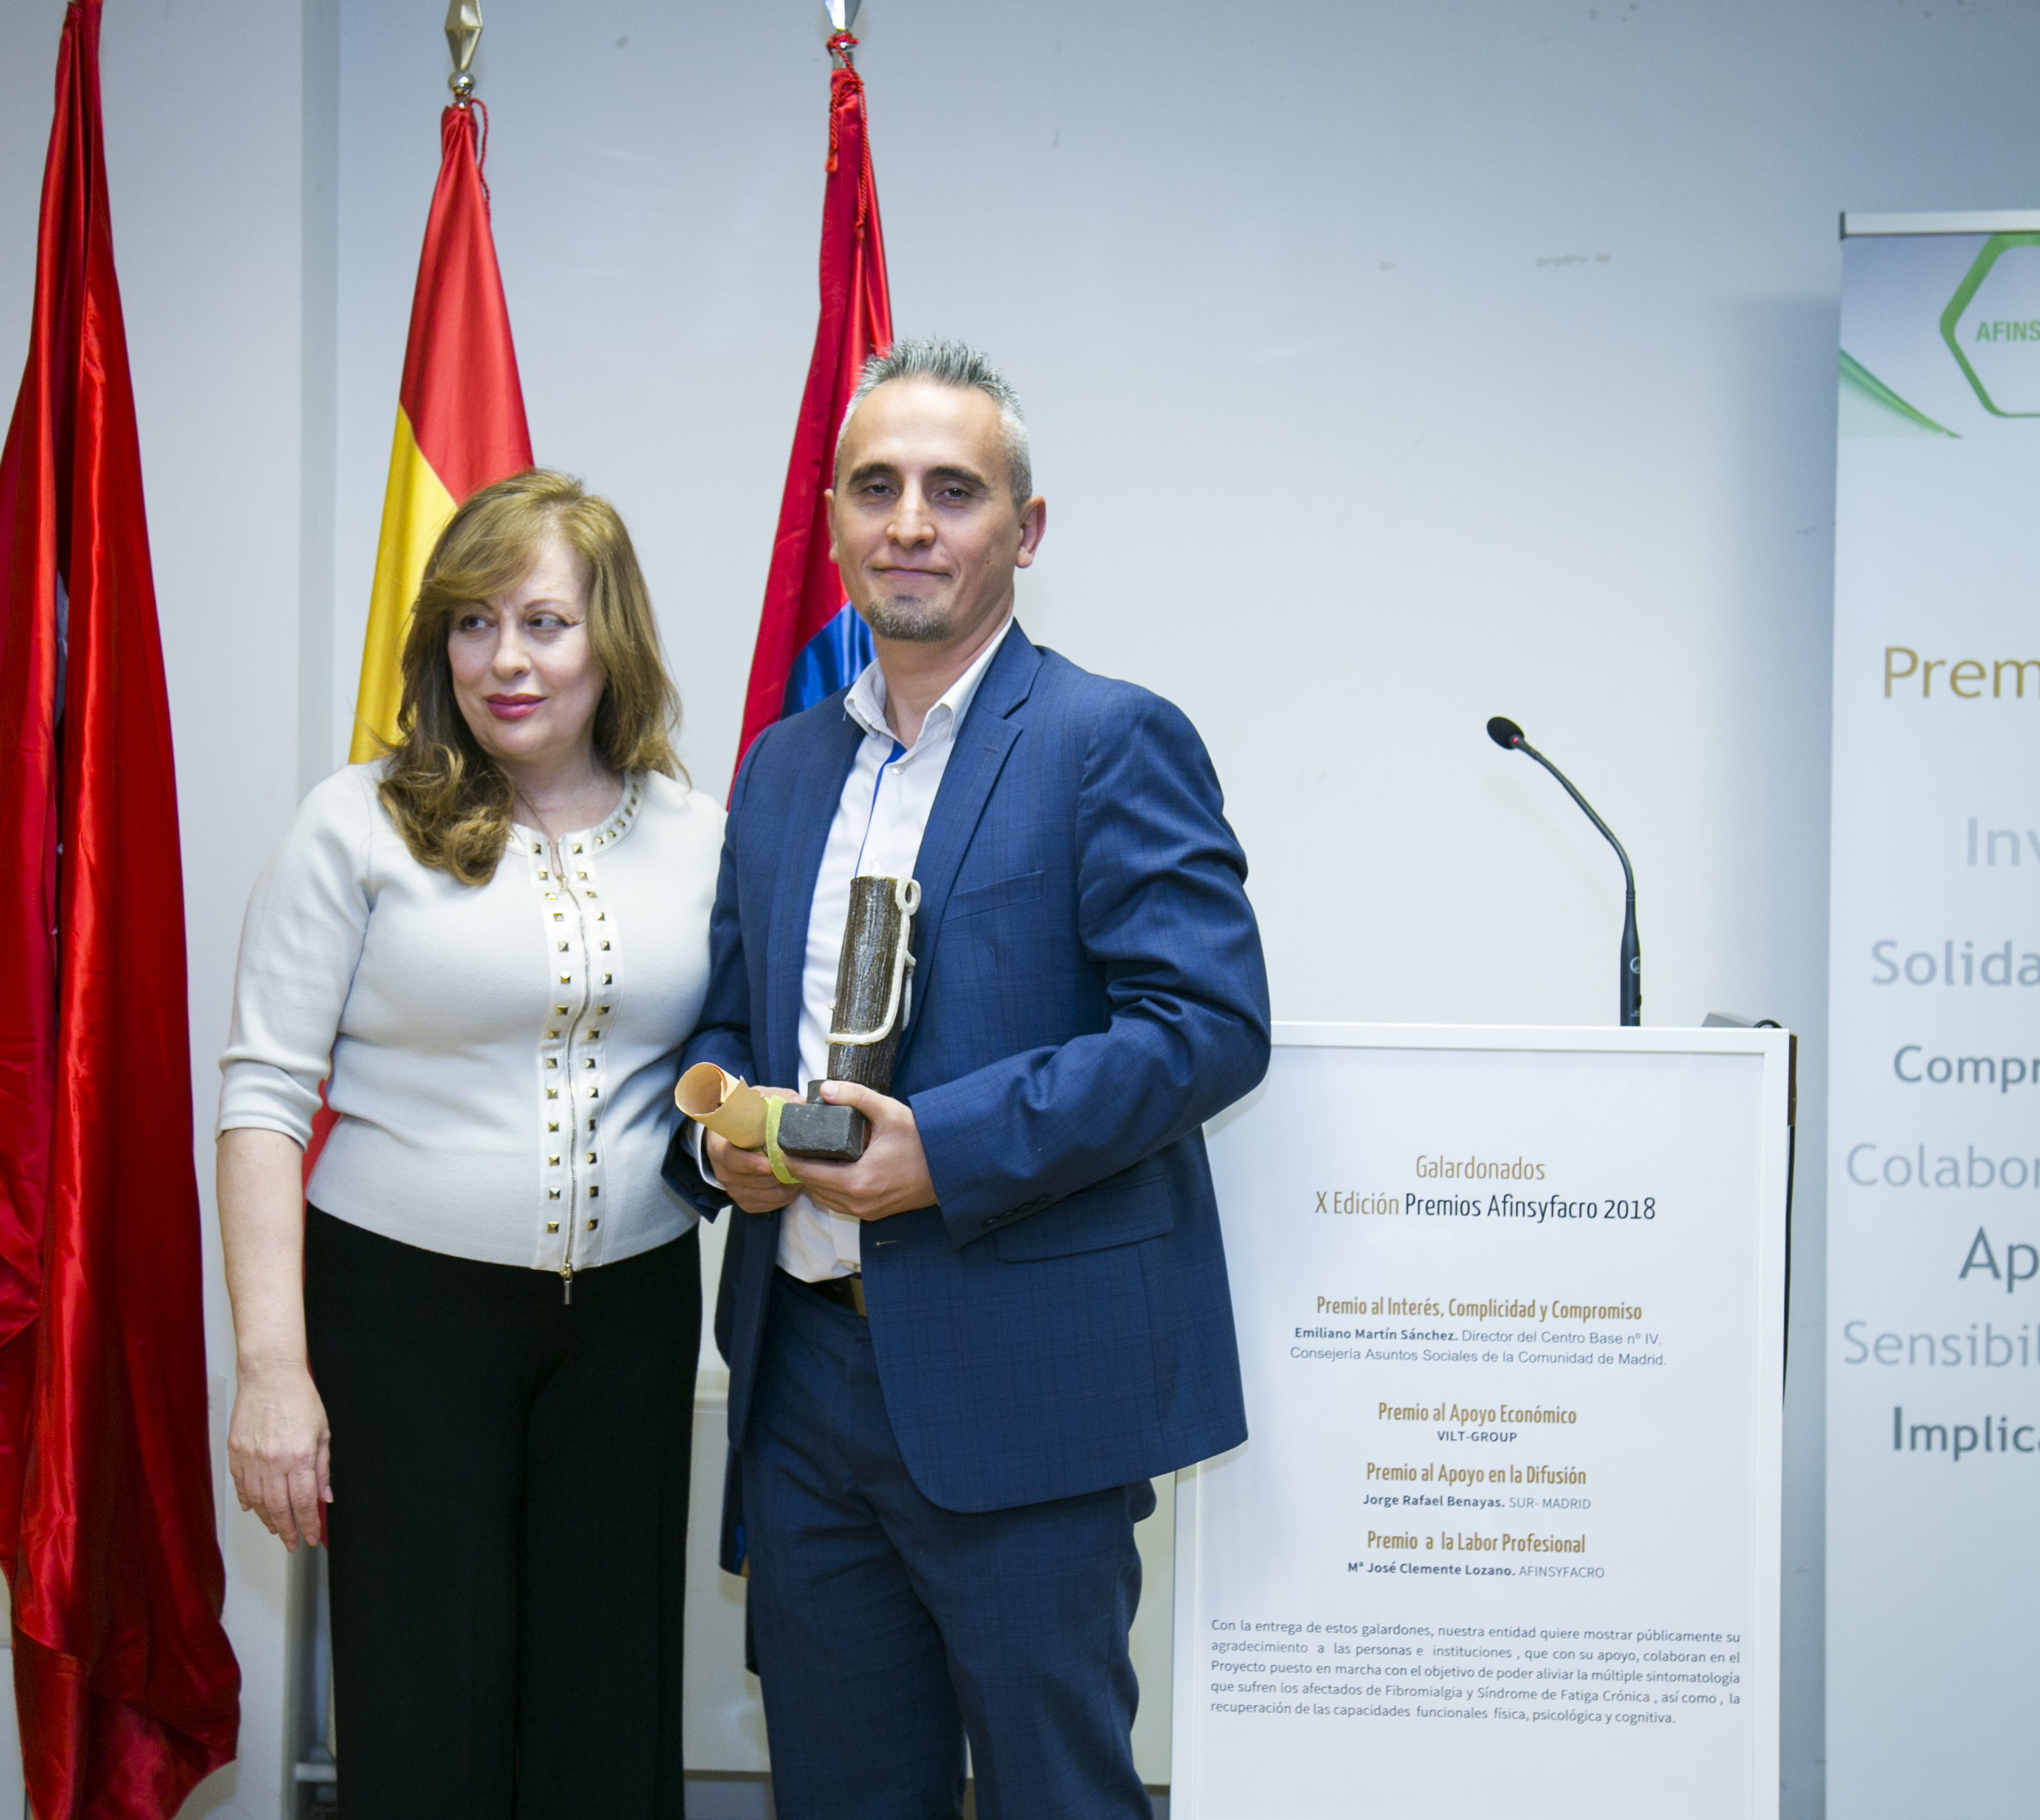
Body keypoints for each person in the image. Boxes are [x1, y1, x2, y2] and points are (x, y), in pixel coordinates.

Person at [664, 339, 1271, 1820]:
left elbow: (1207, 1023)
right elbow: (731, 1019)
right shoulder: (781, 768)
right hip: (804, 1383)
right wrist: (723, 1137)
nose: (910, 523)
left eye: (953, 490)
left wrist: (943, 1149)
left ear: (1026, 528)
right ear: (833, 520)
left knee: (1059, 1795)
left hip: (1027, 1385)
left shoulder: (1105, 739)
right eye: (876, 488)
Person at [218, 470, 723, 1818]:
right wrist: (273, 1370)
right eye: (473, 623)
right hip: (403, 1323)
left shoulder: (699, 835)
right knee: (425, 1710)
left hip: (630, 1324)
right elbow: (263, 1099)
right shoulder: (355, 823)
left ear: (611, 638)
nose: (506, 660)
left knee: (608, 1712)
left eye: (545, 623)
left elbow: (724, 1062)